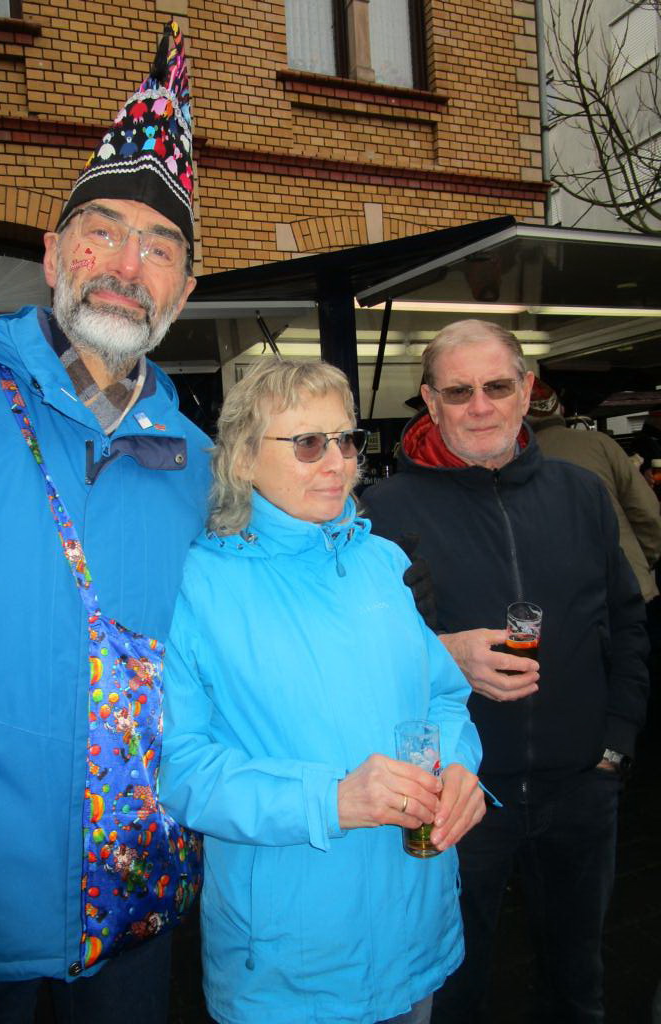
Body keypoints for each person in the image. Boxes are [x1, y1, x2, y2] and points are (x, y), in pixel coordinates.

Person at [0, 23, 209, 1024]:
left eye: (159, 247)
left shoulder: (203, 463)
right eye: (102, 230)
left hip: (134, 911)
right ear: (51, 251)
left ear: (186, 289)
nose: (126, 262)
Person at [158, 357, 486, 1024]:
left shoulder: (382, 561)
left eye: (346, 440)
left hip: (415, 924)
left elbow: (444, 698)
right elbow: (180, 768)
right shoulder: (195, 585)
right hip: (291, 959)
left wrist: (458, 768)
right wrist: (330, 800)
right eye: (308, 443)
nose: (338, 463)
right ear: (243, 459)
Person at [362, 321, 649, 1023]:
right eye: (459, 392)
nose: (481, 406)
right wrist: (445, 652)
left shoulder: (582, 494)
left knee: (577, 984)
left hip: (580, 788)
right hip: (459, 797)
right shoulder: (381, 512)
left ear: (527, 391)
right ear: (431, 402)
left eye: (497, 386)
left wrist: (615, 745)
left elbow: (626, 622)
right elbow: (357, 658)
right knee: (453, 992)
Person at [527, 377, 661, 604]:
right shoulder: (599, 443)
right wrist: (640, 561)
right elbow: (646, 512)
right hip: (631, 587)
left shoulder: (514, 460)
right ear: (561, 410)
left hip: (569, 602)